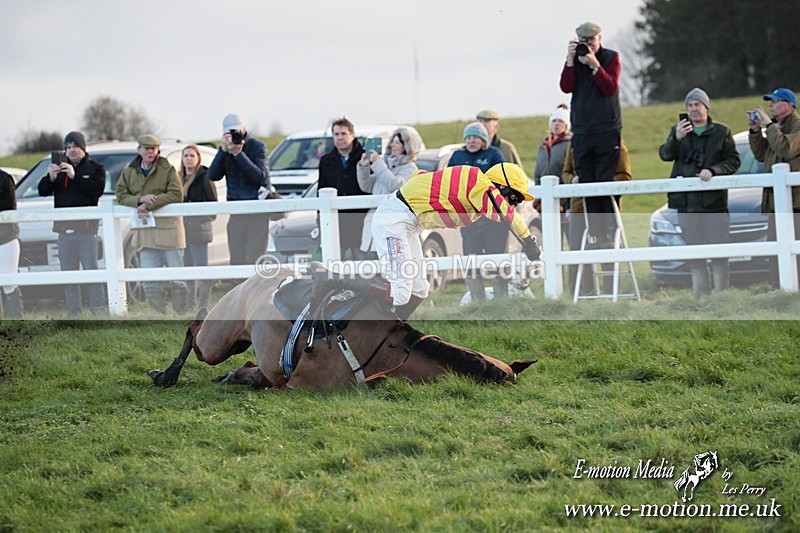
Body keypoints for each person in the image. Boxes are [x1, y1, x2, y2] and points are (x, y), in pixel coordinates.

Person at [371, 163, 539, 319]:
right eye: (515, 198)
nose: (514, 204)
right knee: (400, 294)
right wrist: (528, 241)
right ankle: (347, 283)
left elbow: (422, 177)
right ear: (502, 186)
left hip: (406, 221)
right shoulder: (481, 185)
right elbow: (506, 213)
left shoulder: (476, 186)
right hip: (393, 219)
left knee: (420, 289)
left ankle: (395, 329)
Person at [659, 88, 740, 299]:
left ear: (706, 107)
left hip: (714, 202)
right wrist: (676, 138)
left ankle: (722, 296)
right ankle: (701, 297)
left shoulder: (722, 132)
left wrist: (713, 171)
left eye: (697, 104)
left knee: (719, 249)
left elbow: (733, 161)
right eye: (690, 105)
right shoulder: (677, 130)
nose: (694, 109)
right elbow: (665, 155)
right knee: (694, 250)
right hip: (687, 203)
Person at [559, 21, 622, 246]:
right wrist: (569, 61)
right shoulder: (574, 60)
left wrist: (595, 66)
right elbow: (566, 87)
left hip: (606, 128)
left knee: (604, 180)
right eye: (584, 42)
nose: (588, 46)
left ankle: (609, 229)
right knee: (586, 180)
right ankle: (594, 231)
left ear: (600, 39)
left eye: (592, 41)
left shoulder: (611, 58)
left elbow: (610, 88)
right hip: (582, 130)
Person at [115, 134, 187, 314]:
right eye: (146, 148)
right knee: (149, 280)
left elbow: (176, 194)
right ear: (139, 150)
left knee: (177, 278)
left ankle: (180, 315)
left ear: (158, 150)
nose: (150, 152)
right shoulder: (129, 171)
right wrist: (139, 200)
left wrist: (150, 203)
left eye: (153, 148)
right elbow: (120, 194)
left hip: (169, 232)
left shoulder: (168, 169)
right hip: (144, 233)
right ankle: (158, 315)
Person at [38, 131, 106, 315]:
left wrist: (75, 176)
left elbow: (95, 191)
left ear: (83, 148)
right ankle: (74, 312)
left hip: (86, 231)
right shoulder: (59, 169)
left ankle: (97, 310)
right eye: (68, 147)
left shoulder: (95, 168)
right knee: (68, 275)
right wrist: (51, 177)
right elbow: (42, 190)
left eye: (75, 146)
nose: (71, 150)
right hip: (63, 232)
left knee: (91, 272)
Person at [447, 122, 509, 301]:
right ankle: (477, 299)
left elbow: (503, 180)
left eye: (475, 137)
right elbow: (448, 182)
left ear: (484, 140)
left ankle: (501, 300)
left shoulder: (494, 154)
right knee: (471, 257)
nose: (471, 141)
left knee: (496, 256)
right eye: (468, 138)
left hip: (493, 216)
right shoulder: (457, 156)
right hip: (469, 217)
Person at [562, 139, 631, 297]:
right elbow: (566, 172)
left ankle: (611, 294)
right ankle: (583, 295)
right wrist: (573, 180)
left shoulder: (617, 143)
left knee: (607, 249)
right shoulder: (575, 143)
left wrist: (602, 183)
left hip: (606, 207)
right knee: (577, 250)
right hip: (579, 207)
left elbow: (625, 176)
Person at [748, 88, 800, 285]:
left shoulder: (797, 126)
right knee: (776, 248)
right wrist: (754, 131)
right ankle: (778, 290)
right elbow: (762, 155)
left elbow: (785, 150)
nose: (770, 105)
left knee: (796, 251)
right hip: (775, 204)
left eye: (774, 101)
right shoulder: (776, 127)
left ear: (789, 105)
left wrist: (769, 125)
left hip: (795, 204)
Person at [208, 113, 270, 266]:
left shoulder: (257, 147)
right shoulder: (226, 149)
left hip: (257, 213)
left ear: (244, 128)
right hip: (236, 213)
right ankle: (237, 288)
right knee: (236, 260)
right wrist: (223, 151)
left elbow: (259, 177)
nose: (234, 135)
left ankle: (257, 290)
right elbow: (213, 175)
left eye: (236, 131)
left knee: (256, 259)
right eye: (229, 132)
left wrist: (239, 154)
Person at [356, 126, 422, 255]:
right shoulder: (383, 164)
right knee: (369, 266)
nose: (392, 145)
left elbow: (395, 186)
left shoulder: (410, 168)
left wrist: (377, 163)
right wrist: (363, 166)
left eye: (397, 142)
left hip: (392, 224)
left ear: (406, 146)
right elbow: (366, 186)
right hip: (373, 222)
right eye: (392, 141)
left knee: (388, 267)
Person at [318, 117, 369, 260]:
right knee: (336, 268)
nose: (340, 137)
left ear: (352, 135)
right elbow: (321, 191)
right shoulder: (326, 161)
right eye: (336, 134)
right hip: (336, 222)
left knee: (363, 267)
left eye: (344, 134)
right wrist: (321, 220)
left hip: (361, 220)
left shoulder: (365, 157)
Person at [179, 145, 217, 310]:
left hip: (199, 231)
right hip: (182, 231)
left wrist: (197, 218)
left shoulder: (205, 177)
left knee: (202, 269)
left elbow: (213, 206)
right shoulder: (178, 178)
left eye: (192, 155)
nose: (188, 158)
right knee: (187, 269)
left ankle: (203, 305)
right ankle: (190, 304)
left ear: (198, 158)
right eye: (186, 155)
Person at [534, 104, 573, 240]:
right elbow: (538, 172)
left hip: (566, 202)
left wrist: (565, 203)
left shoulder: (570, 144)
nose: (557, 124)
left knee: (572, 239)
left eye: (561, 121)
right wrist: (539, 197)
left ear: (566, 125)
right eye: (554, 121)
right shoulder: (543, 146)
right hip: (547, 203)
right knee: (552, 242)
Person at [0, 169, 23, 320]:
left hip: (5, 238)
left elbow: (10, 206)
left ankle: (17, 323)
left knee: (9, 285)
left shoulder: (4, 178)